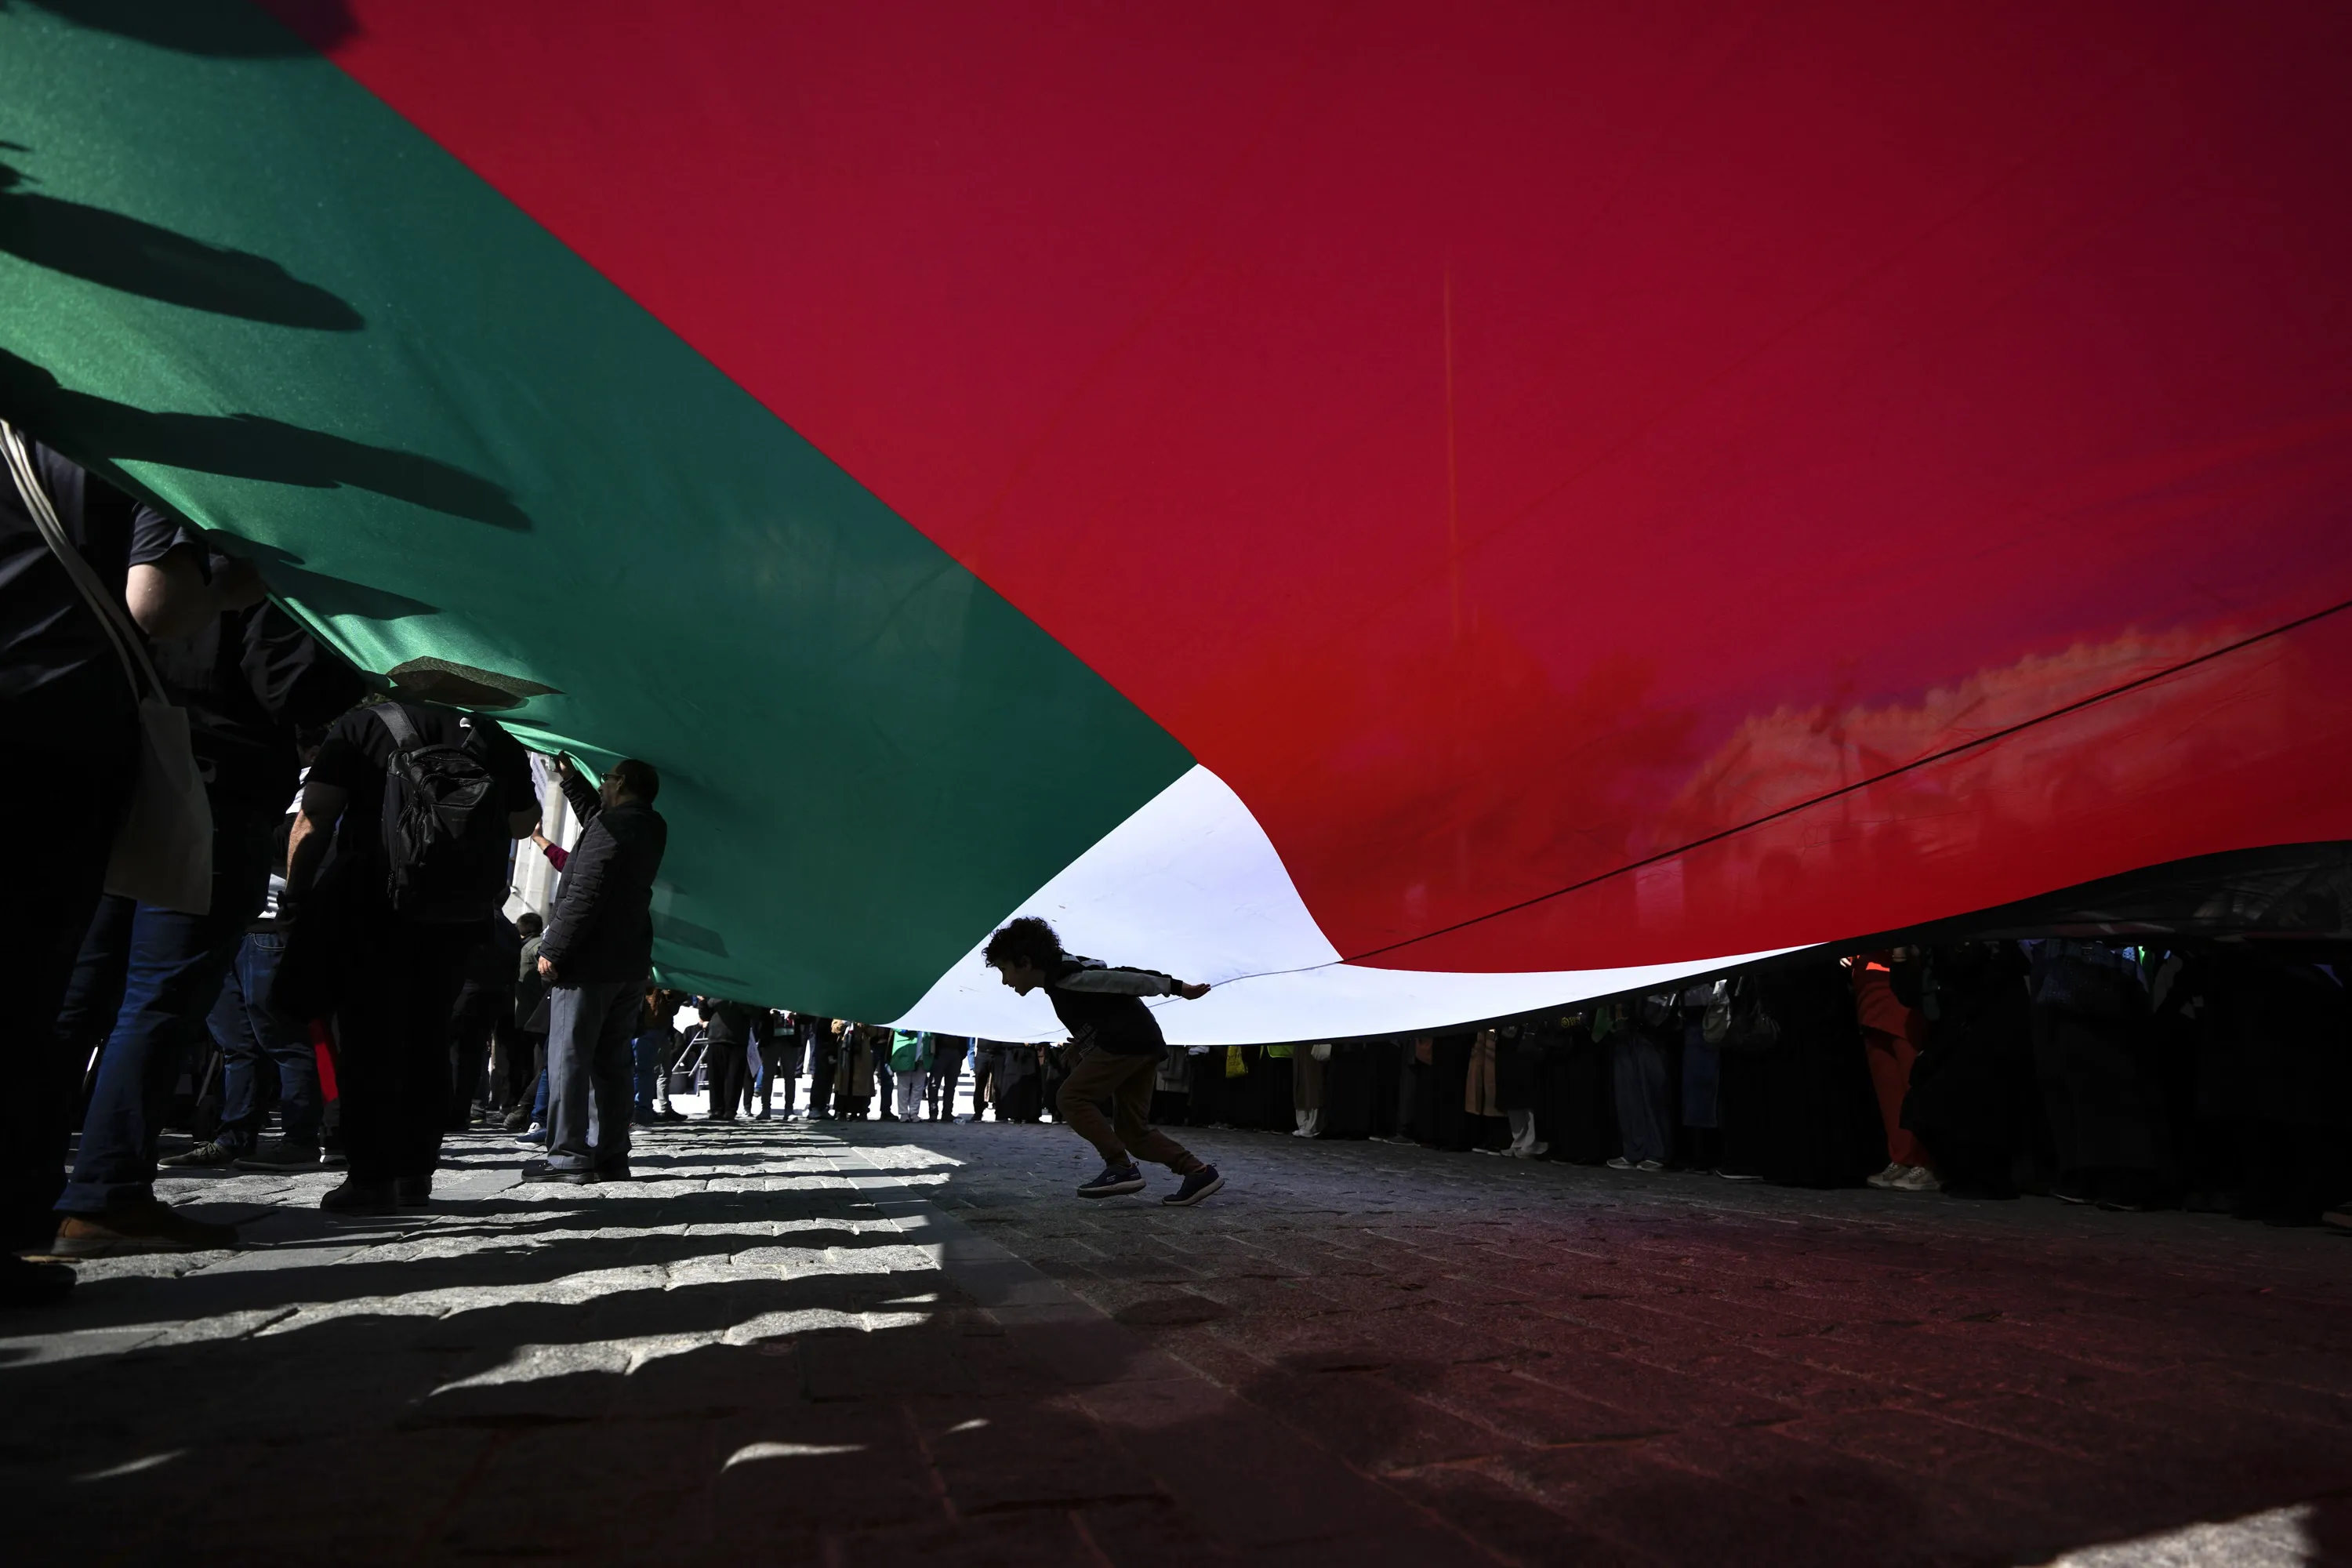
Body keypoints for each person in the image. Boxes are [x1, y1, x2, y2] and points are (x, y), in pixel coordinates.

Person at [52, 586, 358, 1257]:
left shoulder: (150, 547)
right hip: (211, 788)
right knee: (160, 1001)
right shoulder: (259, 573)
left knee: (83, 997)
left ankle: (26, 1190)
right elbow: (289, 687)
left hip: (118, 773)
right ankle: (106, 1193)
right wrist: (364, 663)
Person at [284, 695, 539, 1212]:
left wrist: (296, 894)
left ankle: (370, 1178)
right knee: (429, 1038)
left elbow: (316, 814)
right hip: (455, 913)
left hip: (371, 903)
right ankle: (415, 1171)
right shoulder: (494, 735)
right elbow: (521, 823)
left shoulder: (361, 723)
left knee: (366, 1039)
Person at [982, 916, 1223, 1206]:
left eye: (1005, 970)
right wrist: (1081, 1044)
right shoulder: (1062, 977)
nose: (1005, 981)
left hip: (1126, 1043)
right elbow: (1101, 1011)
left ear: (1025, 962)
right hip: (1141, 1043)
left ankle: (1120, 1167)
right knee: (1133, 1133)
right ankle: (1198, 1172)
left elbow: (1124, 979)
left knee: (1072, 1098)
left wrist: (1177, 987)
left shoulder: (1069, 978)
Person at [523, 757, 667, 1184]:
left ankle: (567, 1156)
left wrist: (554, 946)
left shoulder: (614, 827)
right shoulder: (648, 824)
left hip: (589, 962)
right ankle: (611, 1155)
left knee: (568, 1058)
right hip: (629, 962)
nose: (602, 785)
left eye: (606, 780)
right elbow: (599, 825)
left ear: (621, 783)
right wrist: (571, 782)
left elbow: (585, 889)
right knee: (613, 1063)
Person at [699, 998, 756, 1124]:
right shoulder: (714, 995)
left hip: (737, 1040)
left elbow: (754, 1012)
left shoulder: (745, 995)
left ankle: (730, 1110)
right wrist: (702, 1001)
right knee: (716, 1077)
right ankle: (716, 1109)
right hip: (716, 1038)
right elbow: (705, 1015)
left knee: (734, 1078)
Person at [925, 1032, 968, 1121]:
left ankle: (947, 1112)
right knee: (934, 1085)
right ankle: (933, 1112)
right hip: (939, 1052)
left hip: (956, 1052)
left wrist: (961, 1054)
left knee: (951, 1086)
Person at [888, 1029, 927, 1122]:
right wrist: (907, 1029)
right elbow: (896, 1027)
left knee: (918, 1087)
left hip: (923, 1056)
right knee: (903, 1087)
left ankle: (914, 1113)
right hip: (905, 1054)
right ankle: (903, 1113)